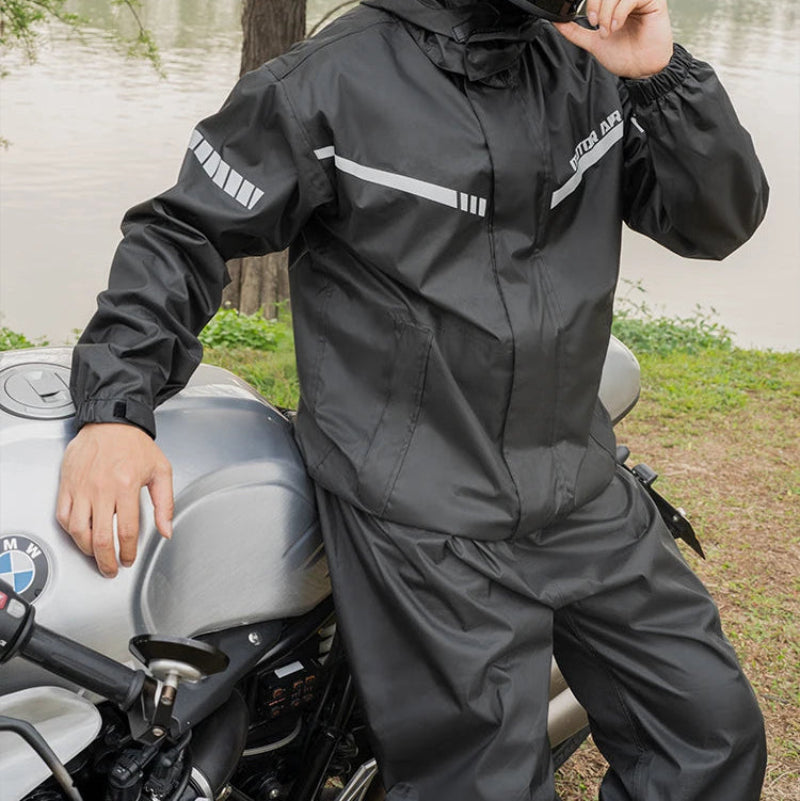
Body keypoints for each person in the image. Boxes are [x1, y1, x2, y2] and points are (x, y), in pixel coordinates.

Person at [57, 0, 769, 798]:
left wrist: (662, 76)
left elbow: (718, 221)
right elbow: (181, 235)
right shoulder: (323, 83)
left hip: (580, 481)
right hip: (423, 516)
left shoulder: (587, 62)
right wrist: (117, 409)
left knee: (712, 734)